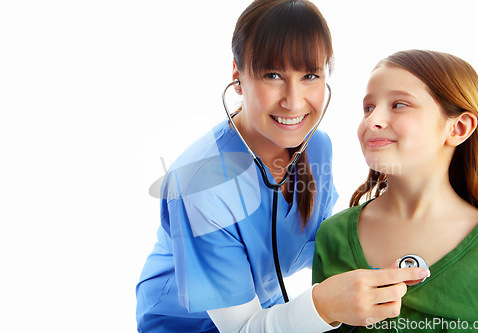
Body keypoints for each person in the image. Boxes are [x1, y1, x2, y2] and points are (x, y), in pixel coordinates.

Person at [136, 2, 428, 332]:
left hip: (265, 311)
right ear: (237, 73)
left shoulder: (317, 146)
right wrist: (325, 306)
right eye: (273, 75)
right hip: (188, 325)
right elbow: (242, 329)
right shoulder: (201, 183)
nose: (294, 100)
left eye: (310, 76)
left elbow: (321, 245)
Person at [313, 49, 478, 332]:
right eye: (368, 107)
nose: (372, 120)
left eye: (399, 104)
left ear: (458, 128)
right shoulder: (332, 235)